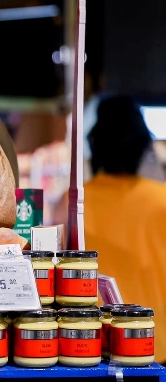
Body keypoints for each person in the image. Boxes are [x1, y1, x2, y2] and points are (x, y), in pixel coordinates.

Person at [84, 95, 166, 363]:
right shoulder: (162, 200)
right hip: (156, 348)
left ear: (96, 144)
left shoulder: (75, 203)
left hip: (93, 348)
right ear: (142, 146)